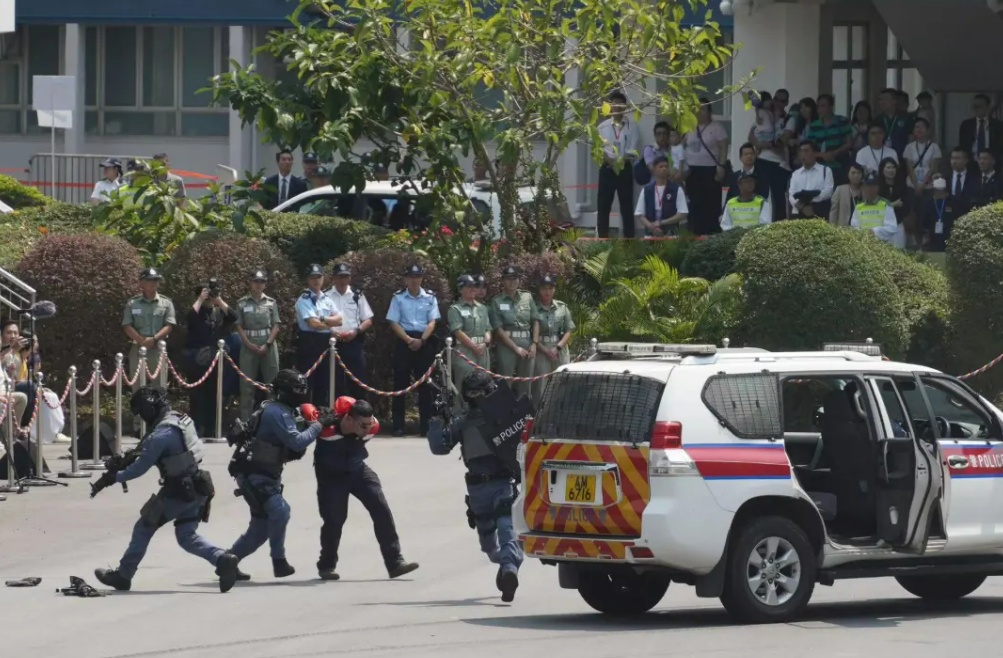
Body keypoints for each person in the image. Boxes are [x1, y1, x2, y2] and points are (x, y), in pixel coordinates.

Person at [90, 386, 239, 593]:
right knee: (186, 536)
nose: (142, 417)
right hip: (198, 487)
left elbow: (139, 468)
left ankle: (124, 575)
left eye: (142, 411)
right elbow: (147, 450)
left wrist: (114, 477)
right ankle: (222, 559)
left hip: (177, 491)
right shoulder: (180, 419)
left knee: (143, 527)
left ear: (149, 408)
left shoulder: (161, 435)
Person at [427, 370, 524, 602]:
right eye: (472, 394)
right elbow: (440, 447)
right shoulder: (464, 422)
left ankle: (509, 569)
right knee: (489, 543)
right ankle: (506, 564)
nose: (476, 398)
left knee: (506, 526)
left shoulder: (505, 417)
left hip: (502, 482)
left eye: (479, 393)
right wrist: (438, 421)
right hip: (478, 489)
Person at [228, 370, 332, 578]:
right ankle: (279, 562)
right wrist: (319, 425)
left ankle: (226, 561)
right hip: (254, 474)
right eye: (297, 390)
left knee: (260, 530)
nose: (302, 394)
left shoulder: (285, 410)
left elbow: (297, 430)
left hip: (268, 474)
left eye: (303, 390)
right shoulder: (276, 413)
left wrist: (317, 418)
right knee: (280, 511)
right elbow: (297, 441)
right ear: (284, 391)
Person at [307, 397, 418, 580]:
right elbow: (303, 416)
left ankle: (395, 562)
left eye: (370, 423)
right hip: (331, 477)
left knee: (380, 507)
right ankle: (326, 565)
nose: (368, 428)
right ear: (349, 419)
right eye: (363, 425)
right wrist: (316, 421)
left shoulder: (373, 427)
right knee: (334, 520)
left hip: (357, 470)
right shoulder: (327, 429)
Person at [386, 264, 440, 436]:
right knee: (400, 384)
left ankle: (426, 426)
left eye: (417, 277)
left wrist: (422, 340)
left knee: (426, 386)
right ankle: (398, 426)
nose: (414, 280)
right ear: (406, 279)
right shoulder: (398, 298)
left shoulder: (430, 297)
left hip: (424, 341)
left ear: (422, 278)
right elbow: (393, 322)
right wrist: (409, 340)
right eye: (411, 277)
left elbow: (432, 322)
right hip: (405, 341)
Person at [122, 267, 176, 395]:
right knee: (137, 386)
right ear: (141, 282)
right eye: (150, 280)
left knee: (159, 387)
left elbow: (169, 325)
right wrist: (142, 341)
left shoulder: (166, 303)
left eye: (156, 280)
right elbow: (127, 325)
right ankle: (139, 409)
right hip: (138, 348)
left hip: (157, 348)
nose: (153, 283)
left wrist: (154, 339)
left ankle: (158, 409)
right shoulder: (132, 303)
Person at [294, 264, 343, 407]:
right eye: (313, 277)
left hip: (324, 343)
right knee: (306, 384)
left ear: (323, 278)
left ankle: (320, 416)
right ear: (307, 280)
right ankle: (304, 415)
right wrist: (329, 323)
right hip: (308, 343)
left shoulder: (327, 299)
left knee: (323, 382)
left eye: (318, 277)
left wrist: (321, 319)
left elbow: (340, 320)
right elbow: (312, 324)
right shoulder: (304, 299)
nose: (316, 280)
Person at [235, 270, 281, 420]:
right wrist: (247, 343)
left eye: (262, 282)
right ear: (250, 283)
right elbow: (239, 325)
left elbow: (276, 325)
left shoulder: (271, 302)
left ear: (265, 284)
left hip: (268, 344)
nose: (258, 284)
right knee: (247, 386)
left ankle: (273, 420)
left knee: (272, 385)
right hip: (249, 345)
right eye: (255, 281)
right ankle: (245, 422)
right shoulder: (242, 303)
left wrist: (267, 344)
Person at [325, 262, 374, 402]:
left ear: (350, 278)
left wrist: (356, 331)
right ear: (333, 278)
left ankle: (360, 413)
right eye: (340, 277)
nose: (343, 280)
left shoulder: (357, 295)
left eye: (345, 277)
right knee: (335, 384)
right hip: (332, 344)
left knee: (358, 382)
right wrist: (330, 332)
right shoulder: (325, 296)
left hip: (354, 343)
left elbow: (368, 319)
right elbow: (319, 320)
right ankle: (335, 415)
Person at [595, 90, 639, 237]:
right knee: (603, 205)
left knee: (626, 205)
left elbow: (632, 150)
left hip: (624, 168)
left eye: (621, 104)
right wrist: (611, 161)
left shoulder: (632, 126)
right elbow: (598, 149)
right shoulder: (602, 127)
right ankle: (602, 239)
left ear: (625, 107)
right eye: (614, 103)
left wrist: (619, 162)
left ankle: (629, 241)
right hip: (607, 168)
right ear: (610, 106)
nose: (617, 106)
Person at [683, 98, 729, 235]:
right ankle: (694, 232)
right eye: (696, 109)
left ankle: (711, 233)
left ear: (709, 111)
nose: (699, 112)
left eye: (702, 109)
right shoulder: (689, 128)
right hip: (692, 171)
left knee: (710, 204)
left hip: (710, 170)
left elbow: (723, 148)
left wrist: (721, 166)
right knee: (694, 203)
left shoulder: (717, 127)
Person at [490, 266, 534, 399]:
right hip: (507, 345)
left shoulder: (527, 297)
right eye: (508, 279)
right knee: (505, 381)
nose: (512, 282)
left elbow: (536, 320)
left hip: (527, 343)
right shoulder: (496, 301)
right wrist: (516, 348)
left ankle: (525, 410)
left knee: (526, 382)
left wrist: (535, 343)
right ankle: (505, 410)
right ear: (502, 281)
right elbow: (498, 329)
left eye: (515, 278)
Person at [530, 275, 574, 403]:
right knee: (540, 385)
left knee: (562, 382)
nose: (547, 292)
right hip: (541, 349)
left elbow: (568, 330)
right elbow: (531, 333)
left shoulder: (562, 307)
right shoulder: (533, 308)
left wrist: (557, 348)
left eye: (550, 288)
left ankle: (560, 409)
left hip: (559, 348)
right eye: (544, 288)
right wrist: (546, 351)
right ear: (539, 290)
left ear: (554, 290)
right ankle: (538, 411)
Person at [448, 274, 492, 388]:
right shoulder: (455, 309)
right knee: (464, 385)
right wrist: (474, 347)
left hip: (483, 350)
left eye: (474, 286)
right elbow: (458, 331)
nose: (473, 289)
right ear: (460, 289)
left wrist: (485, 343)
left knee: (485, 385)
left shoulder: (483, 308)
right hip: (464, 351)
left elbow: (488, 329)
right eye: (469, 286)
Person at [634, 154, 688, 237]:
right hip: (650, 235)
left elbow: (682, 213)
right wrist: (651, 227)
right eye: (661, 166)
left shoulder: (677, 189)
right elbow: (640, 214)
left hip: (671, 235)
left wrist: (661, 222)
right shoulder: (646, 190)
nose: (664, 169)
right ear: (654, 170)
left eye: (666, 166)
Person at [850, 173, 901, 247]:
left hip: (883, 246)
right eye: (868, 186)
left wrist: (874, 232)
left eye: (874, 186)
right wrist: (865, 233)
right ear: (864, 187)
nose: (871, 189)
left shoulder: (885, 204)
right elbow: (853, 227)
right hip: (863, 245)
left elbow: (891, 227)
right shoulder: (859, 206)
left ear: (878, 187)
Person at [788, 140, 834, 219]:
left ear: (815, 153)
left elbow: (828, 192)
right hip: (799, 212)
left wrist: (810, 201)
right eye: (801, 151)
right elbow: (791, 194)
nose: (803, 154)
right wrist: (802, 206)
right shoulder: (796, 174)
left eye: (806, 151)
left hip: (819, 211)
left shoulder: (826, 170)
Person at [919, 175, 959, 252]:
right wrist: (925, 235)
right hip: (932, 238)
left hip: (948, 238)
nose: (940, 193)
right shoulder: (927, 204)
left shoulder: (951, 203)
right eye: (937, 191)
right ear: (934, 191)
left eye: (942, 191)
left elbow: (955, 219)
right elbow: (923, 222)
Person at [829, 163, 865, 227]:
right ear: (848, 174)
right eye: (853, 173)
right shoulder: (840, 189)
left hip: (863, 227)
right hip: (844, 228)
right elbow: (834, 211)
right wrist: (832, 227)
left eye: (858, 173)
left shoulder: (866, 189)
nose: (856, 175)